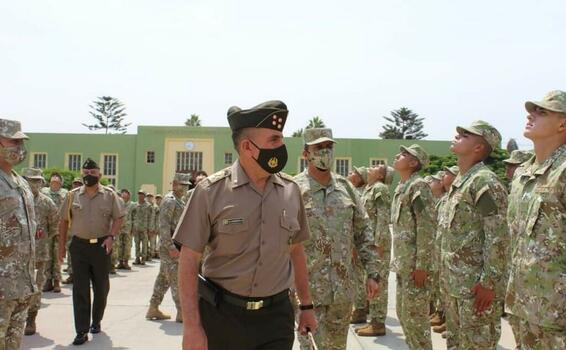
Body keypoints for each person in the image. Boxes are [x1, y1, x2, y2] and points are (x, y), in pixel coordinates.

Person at [174, 100, 317, 350]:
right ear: (247, 147)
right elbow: (188, 260)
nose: (281, 146)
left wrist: (306, 306)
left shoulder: (291, 191)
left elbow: (296, 252)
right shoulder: (210, 192)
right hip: (222, 317)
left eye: (281, 139)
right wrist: (192, 327)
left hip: (276, 319)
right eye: (274, 140)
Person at [294, 128, 380, 350]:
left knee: (337, 347)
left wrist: (373, 273)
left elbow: (363, 231)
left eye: (328, 148)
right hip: (308, 291)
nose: (325, 153)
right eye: (318, 148)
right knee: (310, 347)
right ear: (306, 154)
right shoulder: (293, 189)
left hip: (342, 290)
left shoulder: (346, 187)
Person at [506, 90, 566, 349]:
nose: (531, 115)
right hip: (523, 303)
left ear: (563, 123)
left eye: (543, 112)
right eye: (533, 110)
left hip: (557, 311)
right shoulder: (523, 173)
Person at [441, 121, 509, 350]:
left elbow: (498, 235)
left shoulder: (484, 182)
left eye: (465, 134)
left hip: (475, 289)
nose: (457, 134)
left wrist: (489, 282)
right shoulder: (461, 181)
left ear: (479, 148)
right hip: (455, 284)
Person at [58, 158, 125, 346]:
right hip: (79, 247)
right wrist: (61, 247)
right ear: (82, 174)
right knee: (80, 288)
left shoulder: (109, 196)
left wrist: (111, 236)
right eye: (86, 173)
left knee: (101, 287)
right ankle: (81, 330)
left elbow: (119, 217)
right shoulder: (72, 196)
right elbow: (63, 221)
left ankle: (96, 321)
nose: (89, 176)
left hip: (101, 246)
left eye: (93, 173)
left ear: (99, 175)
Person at [391, 144, 436, 350]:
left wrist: (422, 266)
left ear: (413, 162)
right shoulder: (403, 187)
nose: (397, 156)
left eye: (404, 154)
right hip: (403, 265)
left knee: (416, 321)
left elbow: (426, 227)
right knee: (404, 316)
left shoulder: (419, 186)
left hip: (414, 267)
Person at [0, 118, 37, 350]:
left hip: (22, 285)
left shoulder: (21, 183)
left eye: (21, 142)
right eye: (13, 141)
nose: (19, 147)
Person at [355, 165, 394, 337]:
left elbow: (383, 217)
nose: (369, 168)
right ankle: (368, 315)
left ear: (380, 176)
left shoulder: (380, 188)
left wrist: (379, 244)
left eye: (375, 167)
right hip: (369, 243)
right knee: (368, 279)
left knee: (379, 282)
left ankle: (378, 323)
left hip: (378, 245)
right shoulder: (369, 189)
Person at [146, 173, 191, 322]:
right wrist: (171, 247)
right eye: (182, 185)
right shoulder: (170, 201)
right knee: (175, 278)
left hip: (175, 245)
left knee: (163, 278)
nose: (185, 188)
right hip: (170, 247)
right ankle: (181, 311)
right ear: (174, 184)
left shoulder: (179, 201)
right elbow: (164, 226)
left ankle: (153, 307)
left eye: (186, 186)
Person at [21, 168, 58, 336]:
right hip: (17, 254)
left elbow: (54, 227)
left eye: (37, 180)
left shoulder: (47, 203)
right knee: (16, 287)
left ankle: (31, 318)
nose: (33, 184)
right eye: (30, 180)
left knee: (36, 286)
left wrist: (41, 239)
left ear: (42, 183)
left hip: (39, 253)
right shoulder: (17, 200)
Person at [430, 166, 459, 338]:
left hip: (453, 255)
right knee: (442, 287)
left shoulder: (450, 198)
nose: (442, 177)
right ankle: (446, 318)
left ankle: (448, 319)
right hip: (441, 250)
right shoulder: (445, 199)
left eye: (448, 173)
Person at [40, 172, 68, 293]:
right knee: (46, 256)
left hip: (59, 229)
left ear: (61, 183)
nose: (54, 184)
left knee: (57, 255)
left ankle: (57, 281)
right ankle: (47, 281)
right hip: (46, 229)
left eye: (57, 182)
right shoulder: (44, 192)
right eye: (52, 182)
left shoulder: (65, 194)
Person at [116, 189, 135, 270]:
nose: (124, 194)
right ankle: (120, 262)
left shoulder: (132, 205)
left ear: (129, 195)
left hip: (128, 229)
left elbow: (135, 217)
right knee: (119, 245)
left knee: (127, 246)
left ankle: (126, 262)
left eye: (126, 193)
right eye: (123, 193)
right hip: (119, 228)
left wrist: (133, 228)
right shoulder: (118, 204)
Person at [132, 190, 152, 265]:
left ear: (145, 196)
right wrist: (132, 227)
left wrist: (150, 228)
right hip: (136, 228)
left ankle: (143, 258)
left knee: (144, 244)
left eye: (142, 194)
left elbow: (151, 217)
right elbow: (132, 216)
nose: (140, 196)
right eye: (139, 194)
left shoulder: (148, 206)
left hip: (144, 228)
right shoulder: (134, 205)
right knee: (136, 244)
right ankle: (137, 258)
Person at [146, 193, 158, 261]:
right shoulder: (145, 206)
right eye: (148, 197)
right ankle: (146, 255)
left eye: (150, 197)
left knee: (152, 243)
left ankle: (151, 255)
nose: (149, 198)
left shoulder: (155, 207)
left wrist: (156, 228)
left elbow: (157, 219)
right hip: (145, 228)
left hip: (152, 228)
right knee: (145, 243)